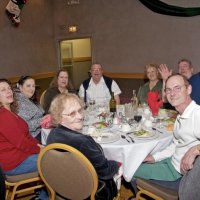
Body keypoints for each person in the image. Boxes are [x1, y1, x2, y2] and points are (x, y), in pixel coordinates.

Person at [131, 74, 200, 192]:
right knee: (134, 163)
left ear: (188, 89)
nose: (172, 93)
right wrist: (154, 157)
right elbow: (176, 145)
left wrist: (196, 149)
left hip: (178, 175)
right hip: (171, 161)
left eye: (177, 88)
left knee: (129, 171)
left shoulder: (196, 114)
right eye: (168, 90)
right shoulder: (180, 115)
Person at [47, 93, 120, 199]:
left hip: (62, 188)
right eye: (72, 113)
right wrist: (118, 163)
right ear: (58, 118)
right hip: (90, 193)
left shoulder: (52, 134)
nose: (80, 116)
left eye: (80, 110)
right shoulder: (83, 142)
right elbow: (106, 172)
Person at [15, 76, 45, 142]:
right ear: (20, 87)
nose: (32, 89)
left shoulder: (28, 98)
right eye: (28, 86)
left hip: (41, 131)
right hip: (33, 137)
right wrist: (43, 120)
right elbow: (25, 126)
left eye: (33, 86)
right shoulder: (19, 102)